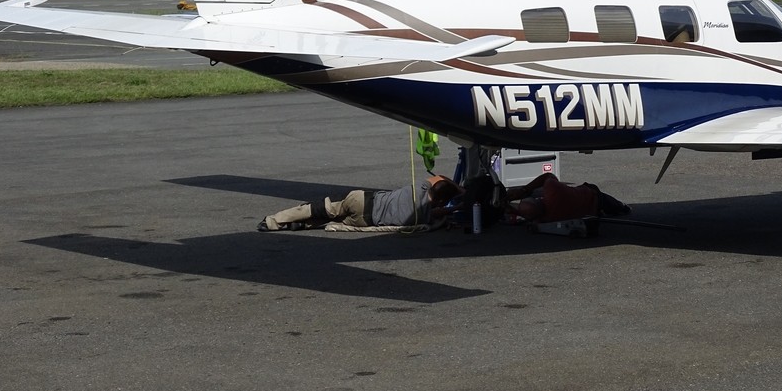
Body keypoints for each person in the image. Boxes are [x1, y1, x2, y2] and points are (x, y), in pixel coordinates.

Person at [257, 174, 463, 231]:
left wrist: (459, 187)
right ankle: (302, 224)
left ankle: (273, 221)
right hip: (365, 221)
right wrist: (459, 203)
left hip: (361, 200)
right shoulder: (425, 215)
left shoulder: (422, 186)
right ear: (440, 201)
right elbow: (444, 213)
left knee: (323, 208)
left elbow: (440, 177)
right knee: (332, 222)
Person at [507, 173, 630, 223]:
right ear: (538, 199)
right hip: (593, 197)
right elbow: (548, 176)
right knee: (619, 207)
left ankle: (621, 208)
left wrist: (505, 206)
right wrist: (524, 190)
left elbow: (525, 213)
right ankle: (623, 207)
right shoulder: (552, 189)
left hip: (592, 212)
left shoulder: (545, 220)